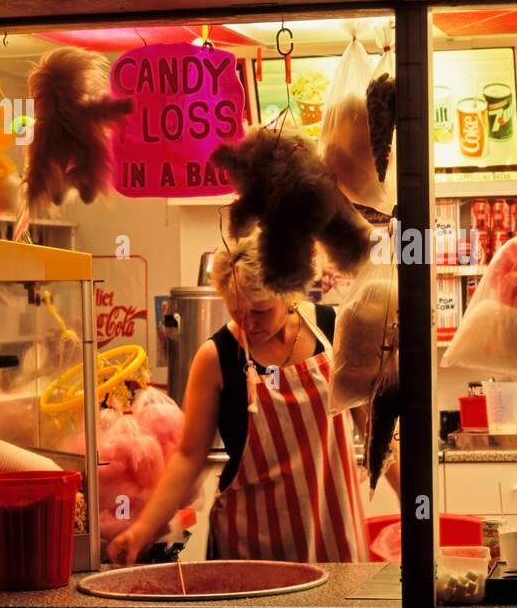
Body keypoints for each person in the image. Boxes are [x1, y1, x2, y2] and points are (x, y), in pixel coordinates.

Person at [108, 232, 399, 565]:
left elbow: (376, 431)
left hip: (333, 536)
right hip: (251, 549)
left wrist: (413, 499)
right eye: (236, 311)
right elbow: (189, 456)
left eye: (260, 311)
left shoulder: (334, 330)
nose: (248, 323)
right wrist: (142, 529)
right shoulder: (215, 358)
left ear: (289, 293)